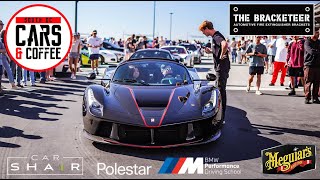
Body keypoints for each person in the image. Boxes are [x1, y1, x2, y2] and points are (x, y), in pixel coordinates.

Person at [199, 20, 230, 124]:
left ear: (207, 28)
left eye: (203, 31)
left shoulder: (216, 36)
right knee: (220, 91)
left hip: (221, 68)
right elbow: (220, 48)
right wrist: (211, 51)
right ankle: (221, 116)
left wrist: (221, 55)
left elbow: (225, 44)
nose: (204, 34)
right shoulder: (215, 37)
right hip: (221, 67)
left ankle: (222, 118)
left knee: (221, 92)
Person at [304, 29, 320, 104]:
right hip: (309, 65)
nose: (318, 34)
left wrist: (316, 51)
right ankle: (307, 98)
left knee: (317, 83)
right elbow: (311, 51)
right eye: (316, 33)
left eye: (318, 33)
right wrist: (317, 51)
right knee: (308, 82)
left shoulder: (319, 42)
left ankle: (315, 98)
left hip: (318, 65)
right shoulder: (307, 42)